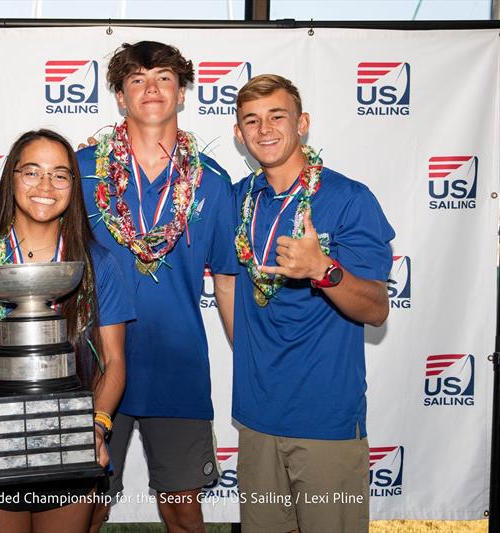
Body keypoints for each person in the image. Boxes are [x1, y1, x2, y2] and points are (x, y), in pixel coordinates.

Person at [0, 129, 134, 533]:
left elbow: (113, 362)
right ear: (10, 178)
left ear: (73, 187)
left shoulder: (99, 265)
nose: (46, 186)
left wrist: (95, 428)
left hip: (71, 442)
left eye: (60, 175)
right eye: (32, 172)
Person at [77, 41, 236, 532]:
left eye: (164, 77)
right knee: (87, 506)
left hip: (177, 368)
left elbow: (227, 283)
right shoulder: (80, 170)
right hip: (94, 365)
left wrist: (249, 359)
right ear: (120, 97)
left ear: (182, 92)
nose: (152, 89)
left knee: (183, 508)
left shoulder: (212, 179)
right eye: (138, 80)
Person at [230, 74, 395, 533]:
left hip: (325, 420)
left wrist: (324, 270)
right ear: (239, 135)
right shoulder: (239, 198)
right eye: (252, 120)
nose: (264, 129)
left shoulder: (348, 199)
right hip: (256, 417)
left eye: (276, 116)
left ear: (302, 123)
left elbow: (377, 307)